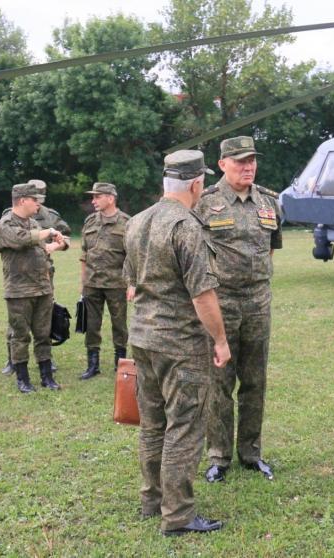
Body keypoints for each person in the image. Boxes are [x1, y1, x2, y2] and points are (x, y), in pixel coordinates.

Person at [123, 150, 231, 536]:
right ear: (197, 184)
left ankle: (152, 501)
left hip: (142, 337)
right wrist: (220, 339)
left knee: (152, 425)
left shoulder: (136, 222)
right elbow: (203, 295)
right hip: (180, 343)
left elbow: (131, 286)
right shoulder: (187, 225)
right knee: (184, 426)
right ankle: (179, 516)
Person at [195, 136, 282, 483]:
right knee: (219, 382)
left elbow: (270, 249)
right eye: (240, 161)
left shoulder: (268, 201)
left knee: (255, 380)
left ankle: (251, 452)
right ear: (222, 164)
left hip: (258, 302)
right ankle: (218, 455)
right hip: (220, 302)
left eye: (252, 161)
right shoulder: (205, 203)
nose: (248, 167)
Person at [0, 182, 67, 393]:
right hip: (19, 291)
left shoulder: (34, 223)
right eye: (35, 200)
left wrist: (57, 242)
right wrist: (48, 232)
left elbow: (44, 247)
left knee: (43, 334)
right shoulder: (5, 224)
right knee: (20, 335)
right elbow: (21, 239)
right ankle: (23, 379)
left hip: (42, 287)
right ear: (23, 200)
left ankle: (47, 376)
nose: (38, 204)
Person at [78, 182, 130, 380]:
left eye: (98, 197)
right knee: (91, 324)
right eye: (93, 197)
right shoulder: (90, 221)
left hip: (117, 283)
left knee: (119, 324)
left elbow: (133, 257)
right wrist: (82, 283)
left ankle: (121, 362)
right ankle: (93, 364)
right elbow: (84, 254)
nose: (93, 201)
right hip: (92, 283)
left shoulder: (126, 222)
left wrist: (131, 284)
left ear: (111, 198)